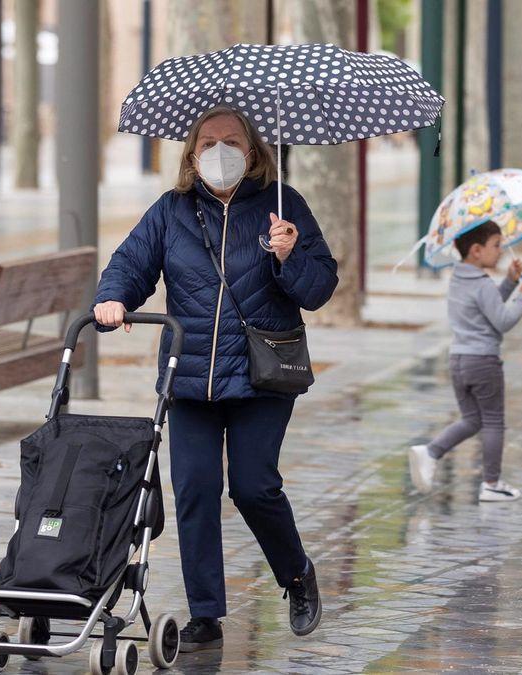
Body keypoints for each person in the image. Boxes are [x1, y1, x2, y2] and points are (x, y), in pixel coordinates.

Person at [92, 105, 338, 652]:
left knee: (253, 486)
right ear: (192, 153)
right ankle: (206, 612)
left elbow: (319, 289)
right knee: (197, 490)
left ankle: (296, 574)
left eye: (231, 140)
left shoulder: (283, 206)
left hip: (263, 375)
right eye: (208, 142)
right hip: (192, 376)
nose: (219, 150)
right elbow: (131, 263)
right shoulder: (172, 210)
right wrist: (112, 298)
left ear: (252, 152)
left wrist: (289, 254)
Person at [408, 223, 522, 502]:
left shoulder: (459, 279)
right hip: (484, 362)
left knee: (472, 419)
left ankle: (430, 451)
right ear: (477, 251)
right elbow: (501, 320)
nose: (501, 251)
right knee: (493, 422)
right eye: (496, 245)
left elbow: (487, 309)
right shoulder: (482, 283)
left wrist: (511, 283)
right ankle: (491, 483)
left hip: (459, 360)